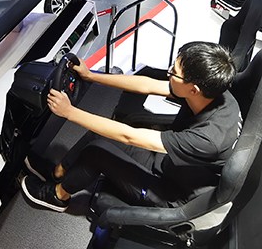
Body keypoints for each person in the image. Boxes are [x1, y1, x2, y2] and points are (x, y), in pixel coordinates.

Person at [21, 42, 240, 212]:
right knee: (99, 133)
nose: (168, 73)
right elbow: (146, 84)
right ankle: (58, 172)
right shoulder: (216, 93)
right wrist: (91, 76)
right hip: (169, 164)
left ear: (194, 89)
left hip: (172, 194)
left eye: (173, 72)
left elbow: (129, 136)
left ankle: (59, 196)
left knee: (96, 153)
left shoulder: (208, 139)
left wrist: (70, 113)